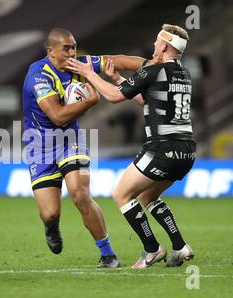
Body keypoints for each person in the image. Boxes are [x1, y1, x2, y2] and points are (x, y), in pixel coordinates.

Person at [67, 24, 195, 269]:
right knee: (148, 196)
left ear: (166, 45)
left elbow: (115, 97)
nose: (154, 46)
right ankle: (179, 247)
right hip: (186, 151)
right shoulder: (183, 73)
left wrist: (90, 73)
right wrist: (116, 78)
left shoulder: (153, 70)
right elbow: (146, 100)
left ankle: (152, 249)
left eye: (158, 42)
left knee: (121, 195)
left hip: (161, 149)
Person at [22, 27, 147, 268]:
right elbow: (57, 115)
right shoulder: (38, 76)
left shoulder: (79, 64)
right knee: (50, 213)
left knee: (80, 193)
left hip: (71, 138)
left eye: (74, 47)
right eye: (66, 48)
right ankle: (51, 226)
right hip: (41, 145)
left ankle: (108, 255)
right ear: (51, 52)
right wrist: (90, 101)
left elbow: (119, 60)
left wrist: (155, 64)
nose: (72, 53)